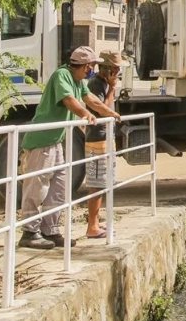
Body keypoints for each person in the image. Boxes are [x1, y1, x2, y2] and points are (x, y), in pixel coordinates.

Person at [18, 46, 121, 250]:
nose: (92, 70)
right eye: (91, 66)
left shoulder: (78, 81)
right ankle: (29, 231)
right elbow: (70, 100)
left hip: (56, 140)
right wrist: (85, 114)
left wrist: (110, 113)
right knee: (37, 186)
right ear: (85, 66)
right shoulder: (62, 75)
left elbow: (91, 99)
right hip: (42, 140)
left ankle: (50, 229)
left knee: (59, 186)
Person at [84, 51, 122, 239]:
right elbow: (103, 110)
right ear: (109, 69)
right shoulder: (96, 84)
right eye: (116, 69)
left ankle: (97, 222)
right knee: (96, 184)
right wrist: (112, 89)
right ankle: (92, 226)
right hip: (97, 138)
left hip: (106, 137)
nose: (118, 72)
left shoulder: (104, 84)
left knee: (104, 182)